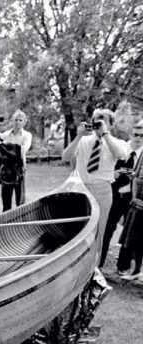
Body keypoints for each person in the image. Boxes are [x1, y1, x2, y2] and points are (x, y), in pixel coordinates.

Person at [62, 108, 126, 255]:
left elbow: (120, 155)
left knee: (98, 230)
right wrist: (78, 136)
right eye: (96, 121)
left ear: (111, 124)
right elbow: (65, 157)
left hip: (102, 190)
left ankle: (93, 265)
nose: (98, 125)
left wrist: (105, 134)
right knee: (76, 226)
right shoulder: (83, 141)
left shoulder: (116, 143)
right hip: (81, 188)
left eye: (103, 121)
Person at [101, 121, 142, 270]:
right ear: (131, 134)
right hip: (114, 195)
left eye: (142, 136)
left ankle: (123, 267)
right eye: (136, 135)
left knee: (131, 233)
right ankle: (99, 264)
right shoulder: (119, 148)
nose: (138, 139)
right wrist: (114, 175)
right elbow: (103, 169)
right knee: (107, 229)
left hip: (132, 198)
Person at [118, 135, 143, 282]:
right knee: (135, 240)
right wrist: (134, 197)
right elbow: (135, 175)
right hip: (137, 204)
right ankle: (136, 270)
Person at [0, 109, 32, 210]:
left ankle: (20, 223)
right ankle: (6, 223)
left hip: (20, 169)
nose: (18, 122)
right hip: (6, 169)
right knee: (6, 199)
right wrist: (13, 149)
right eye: (16, 119)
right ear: (12, 121)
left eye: (20, 120)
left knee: (20, 199)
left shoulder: (27, 135)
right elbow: (0, 149)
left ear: (25, 122)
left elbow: (23, 150)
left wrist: (8, 147)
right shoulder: (5, 135)